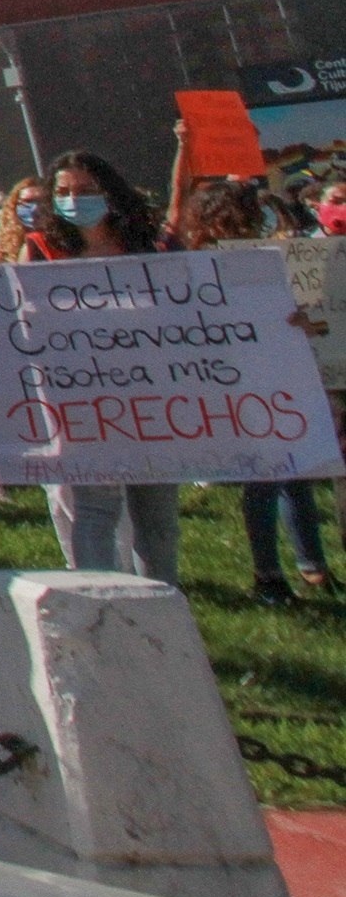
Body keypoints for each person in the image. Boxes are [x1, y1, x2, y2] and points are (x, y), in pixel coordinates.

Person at [172, 178, 335, 600]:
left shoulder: (265, 259)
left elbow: (298, 315)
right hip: (243, 384)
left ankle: (312, 567)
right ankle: (268, 576)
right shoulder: (200, 267)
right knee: (264, 479)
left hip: (283, 375)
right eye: (251, 212)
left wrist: (307, 323)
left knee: (297, 474)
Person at [31, 148, 185, 582]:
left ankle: (160, 609)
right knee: (96, 512)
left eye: (86, 190)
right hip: (85, 401)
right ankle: (102, 610)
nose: (74, 199)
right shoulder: (42, 250)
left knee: (157, 517)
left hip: (155, 397)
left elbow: (194, 310)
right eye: (63, 191)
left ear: (110, 193)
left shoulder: (151, 248)